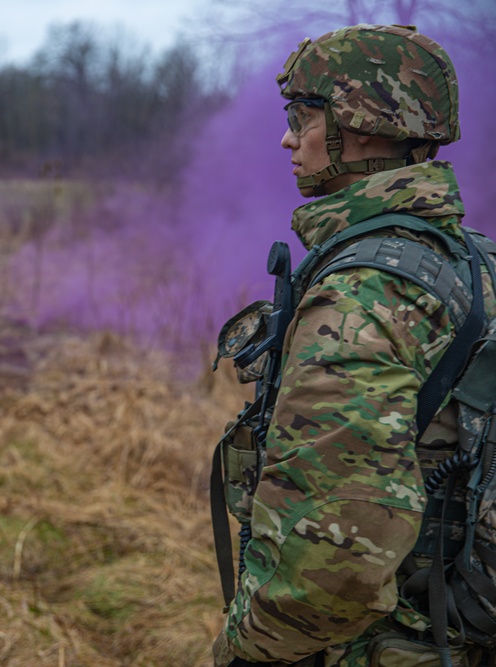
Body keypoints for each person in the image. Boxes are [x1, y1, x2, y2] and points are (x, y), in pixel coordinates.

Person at [211, 25, 495, 667]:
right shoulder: (476, 261)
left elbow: (333, 561)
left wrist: (246, 650)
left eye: (302, 116)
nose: (287, 137)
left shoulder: (364, 292)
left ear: (361, 127)